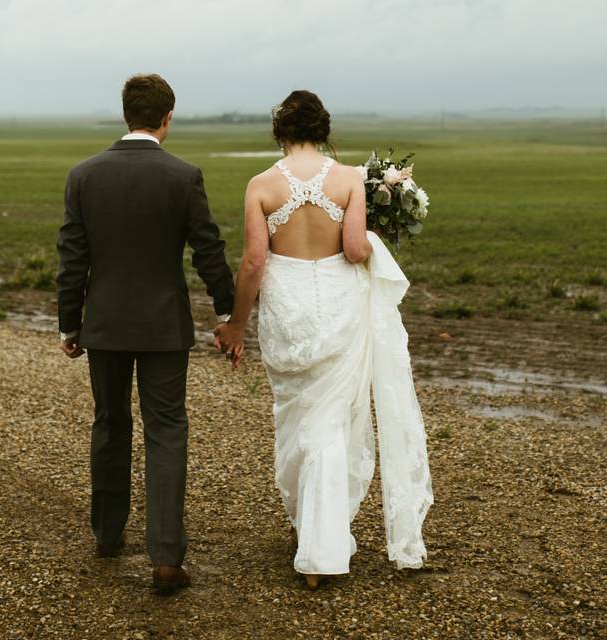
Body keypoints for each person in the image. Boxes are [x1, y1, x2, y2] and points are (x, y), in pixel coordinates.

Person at [215, 90, 433, 590]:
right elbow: (355, 249)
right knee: (332, 424)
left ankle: (313, 542)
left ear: (280, 132)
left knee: (296, 419)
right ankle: (321, 537)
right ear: (324, 130)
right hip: (338, 308)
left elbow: (253, 263)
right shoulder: (349, 180)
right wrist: (375, 238)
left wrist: (235, 324)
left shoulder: (261, 185)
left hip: (287, 310)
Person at [56, 73, 235, 594]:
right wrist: (226, 313)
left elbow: (73, 259)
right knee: (166, 431)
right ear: (166, 118)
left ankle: (108, 535)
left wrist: (71, 322)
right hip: (163, 328)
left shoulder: (83, 175)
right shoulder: (184, 176)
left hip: (105, 326)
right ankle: (165, 558)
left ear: (125, 115)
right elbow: (208, 250)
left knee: (110, 423)